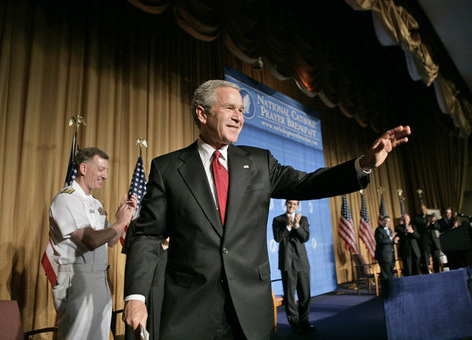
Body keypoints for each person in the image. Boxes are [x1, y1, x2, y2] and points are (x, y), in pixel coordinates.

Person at [122, 80, 411, 339]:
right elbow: (147, 236)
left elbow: (309, 183)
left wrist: (363, 164)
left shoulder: (259, 163)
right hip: (190, 311)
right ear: (202, 113)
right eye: (230, 109)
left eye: (242, 111)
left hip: (250, 310)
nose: (239, 117)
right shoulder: (168, 168)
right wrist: (136, 296)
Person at [49, 147, 137, 340]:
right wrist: (120, 223)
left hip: (99, 278)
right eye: (101, 169)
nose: (105, 176)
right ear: (83, 168)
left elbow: (112, 242)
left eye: (106, 170)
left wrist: (124, 218)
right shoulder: (66, 199)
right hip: (77, 279)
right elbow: (90, 241)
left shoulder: (96, 204)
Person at [272, 200, 314, 333]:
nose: (292, 206)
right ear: (286, 204)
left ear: (297, 205)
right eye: (290, 203)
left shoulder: (303, 219)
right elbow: (278, 238)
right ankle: (295, 326)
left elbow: (305, 238)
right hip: (287, 263)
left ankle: (305, 322)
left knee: (305, 295)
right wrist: (288, 227)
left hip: (302, 262)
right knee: (290, 297)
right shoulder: (278, 220)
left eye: (295, 204)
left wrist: (296, 226)